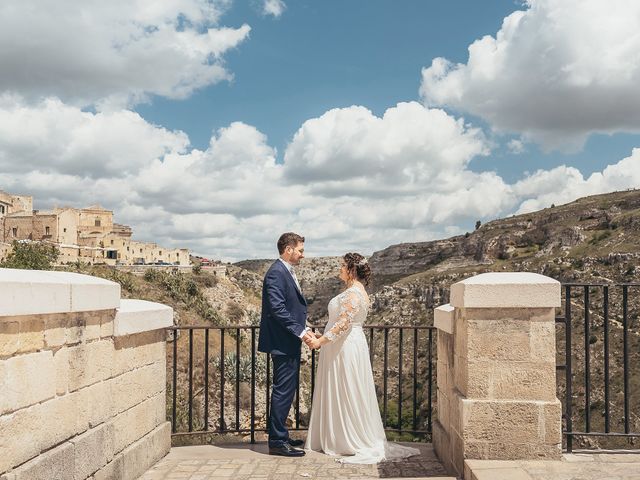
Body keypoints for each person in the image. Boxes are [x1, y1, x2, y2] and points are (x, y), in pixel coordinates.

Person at [304, 252, 421, 464]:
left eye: (342, 265)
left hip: (345, 347)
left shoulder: (353, 293)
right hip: (341, 343)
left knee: (347, 388)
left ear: (351, 269)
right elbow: (340, 324)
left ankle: (347, 438)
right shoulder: (355, 291)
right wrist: (323, 337)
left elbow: (344, 323)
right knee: (342, 387)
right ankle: (338, 436)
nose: (339, 268)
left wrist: (320, 342)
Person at [257, 232, 315, 457]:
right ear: (288, 249)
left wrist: (305, 328)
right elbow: (278, 309)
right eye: (300, 250)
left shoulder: (284, 271)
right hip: (282, 342)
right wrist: (301, 332)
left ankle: (281, 434)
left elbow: (292, 308)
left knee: (286, 390)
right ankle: (278, 442)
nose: (302, 254)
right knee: (282, 391)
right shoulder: (276, 273)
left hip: (288, 340)